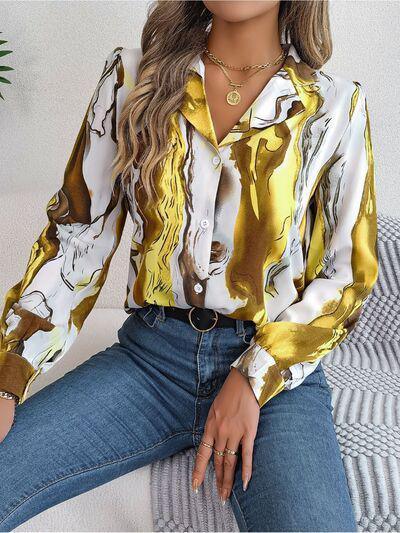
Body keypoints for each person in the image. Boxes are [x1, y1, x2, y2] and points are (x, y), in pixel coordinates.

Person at [0, 0, 379, 531]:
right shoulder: (131, 78)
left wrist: (253, 377)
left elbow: (348, 274)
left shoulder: (334, 106)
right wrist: (9, 373)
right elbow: (77, 239)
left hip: (271, 377)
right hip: (150, 362)